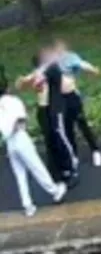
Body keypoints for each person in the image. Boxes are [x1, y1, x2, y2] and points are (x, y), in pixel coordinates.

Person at [0, 68, 67, 216]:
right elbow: (21, 120)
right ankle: (55, 191)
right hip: (20, 137)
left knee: (20, 174)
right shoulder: (14, 101)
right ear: (8, 88)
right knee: (36, 167)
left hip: (9, 143)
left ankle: (28, 205)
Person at [19, 47, 78, 187]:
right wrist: (26, 80)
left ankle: (70, 168)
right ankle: (55, 171)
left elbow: (41, 80)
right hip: (44, 109)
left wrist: (34, 80)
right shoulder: (40, 71)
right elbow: (26, 83)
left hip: (55, 107)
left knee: (60, 137)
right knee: (49, 140)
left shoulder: (53, 69)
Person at [52, 38, 101, 167]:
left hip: (72, 96)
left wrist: (93, 70)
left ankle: (95, 151)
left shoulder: (70, 57)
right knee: (67, 127)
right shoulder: (51, 61)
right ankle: (73, 155)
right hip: (59, 99)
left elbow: (82, 64)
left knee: (81, 123)